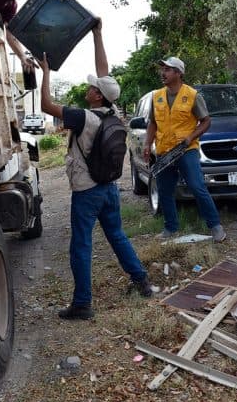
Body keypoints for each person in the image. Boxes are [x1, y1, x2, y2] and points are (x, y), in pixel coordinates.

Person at [38, 19, 152, 320]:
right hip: (109, 189)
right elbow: (105, 73)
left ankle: (82, 304)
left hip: (87, 192)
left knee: (81, 246)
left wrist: (46, 73)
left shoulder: (82, 117)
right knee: (117, 235)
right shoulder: (114, 111)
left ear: (97, 95)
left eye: (92, 87)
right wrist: (98, 34)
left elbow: (47, 105)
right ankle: (141, 281)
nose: (88, 87)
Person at [142, 57, 227, 242]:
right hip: (165, 151)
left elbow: (206, 121)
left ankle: (215, 226)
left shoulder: (193, 95)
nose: (163, 73)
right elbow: (153, 123)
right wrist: (148, 143)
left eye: (168, 69)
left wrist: (191, 137)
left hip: (186, 149)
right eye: (162, 69)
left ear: (179, 73)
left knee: (197, 187)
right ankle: (170, 228)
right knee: (165, 190)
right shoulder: (156, 96)